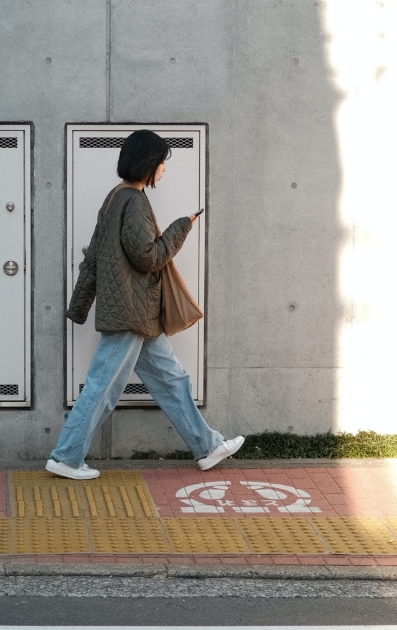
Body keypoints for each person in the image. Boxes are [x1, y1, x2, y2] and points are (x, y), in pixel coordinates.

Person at [47, 129, 244, 480]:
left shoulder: (114, 198)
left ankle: (207, 446)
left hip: (136, 311)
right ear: (148, 163)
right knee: (102, 387)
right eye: (162, 162)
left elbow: (93, 258)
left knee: (173, 380)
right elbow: (147, 257)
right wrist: (182, 227)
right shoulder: (133, 201)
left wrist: (80, 306)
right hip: (131, 312)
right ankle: (65, 456)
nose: (164, 170)